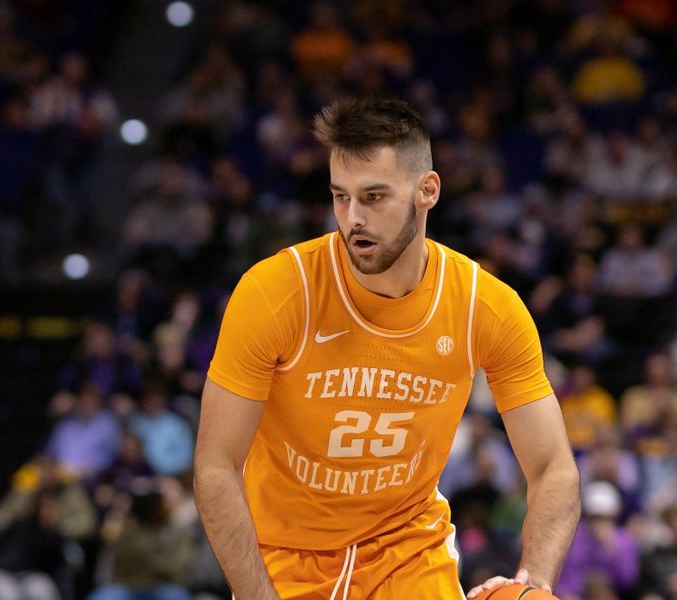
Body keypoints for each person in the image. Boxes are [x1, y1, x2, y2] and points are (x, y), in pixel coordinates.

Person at [194, 97, 580, 600]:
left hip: (408, 555)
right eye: (340, 197)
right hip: (285, 557)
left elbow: (553, 466)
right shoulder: (277, 291)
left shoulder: (484, 306)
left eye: (374, 197)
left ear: (428, 191)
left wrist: (535, 581)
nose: (352, 218)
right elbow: (215, 465)